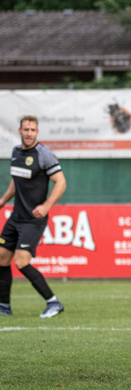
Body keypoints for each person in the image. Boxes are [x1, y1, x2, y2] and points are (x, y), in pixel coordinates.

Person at [0, 115, 67, 318]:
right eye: (26, 130)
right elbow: (16, 181)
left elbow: (61, 182)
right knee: (2, 257)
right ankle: (4, 307)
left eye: (33, 130)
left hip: (33, 219)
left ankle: (53, 302)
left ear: (37, 132)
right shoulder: (16, 152)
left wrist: (47, 206)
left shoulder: (44, 154)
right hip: (16, 217)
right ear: (19, 131)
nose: (29, 134)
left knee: (21, 262)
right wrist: (3, 200)